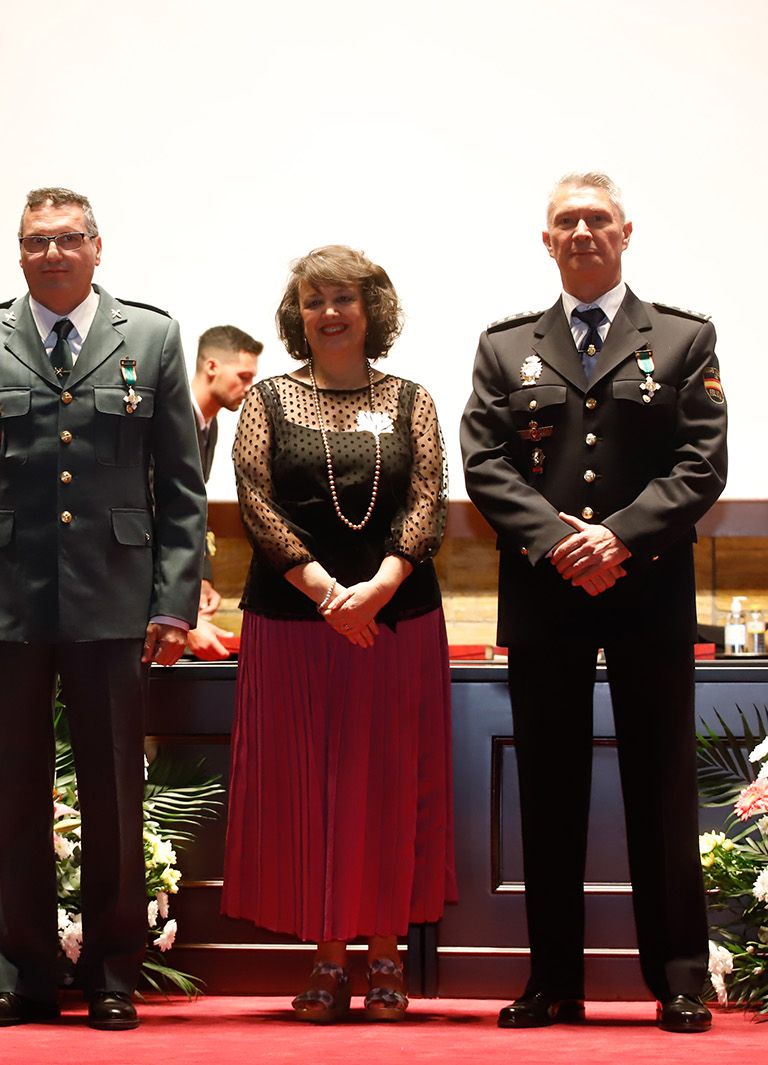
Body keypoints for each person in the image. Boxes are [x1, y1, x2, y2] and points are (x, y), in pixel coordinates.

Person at [0, 187, 206, 1031]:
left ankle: (113, 972)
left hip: (114, 599)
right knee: (16, 791)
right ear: (19, 252)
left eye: (67, 239)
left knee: (114, 791)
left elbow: (182, 489)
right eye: (35, 241)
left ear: (96, 246)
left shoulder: (149, 335)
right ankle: (23, 976)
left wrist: (173, 602)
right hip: (6, 595)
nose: (52, 254)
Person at [459, 172, 727, 1033]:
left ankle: (680, 978)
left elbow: (702, 462)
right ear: (546, 240)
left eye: (596, 219)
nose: (582, 231)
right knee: (550, 785)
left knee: (660, 784)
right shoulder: (506, 347)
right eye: (565, 221)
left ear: (626, 231)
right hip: (547, 592)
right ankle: (552, 981)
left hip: (647, 588)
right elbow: (485, 462)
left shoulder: (683, 338)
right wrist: (560, 541)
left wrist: (615, 537)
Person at [221, 245, 454, 1024]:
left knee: (391, 782)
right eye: (314, 299)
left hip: (396, 618)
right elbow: (254, 500)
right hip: (294, 617)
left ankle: (385, 949)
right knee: (309, 786)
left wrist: (379, 586)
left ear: (371, 308)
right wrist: (324, 590)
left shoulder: (412, 398)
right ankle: (326, 952)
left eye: (344, 297)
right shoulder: (268, 401)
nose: (329, 311)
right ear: (298, 314)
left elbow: (429, 500)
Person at [186, 325, 262, 659]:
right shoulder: (170, 418)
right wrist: (180, 615)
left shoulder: (207, 422)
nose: (248, 388)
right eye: (243, 377)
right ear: (212, 366)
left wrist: (201, 578)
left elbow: (191, 508)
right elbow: (155, 514)